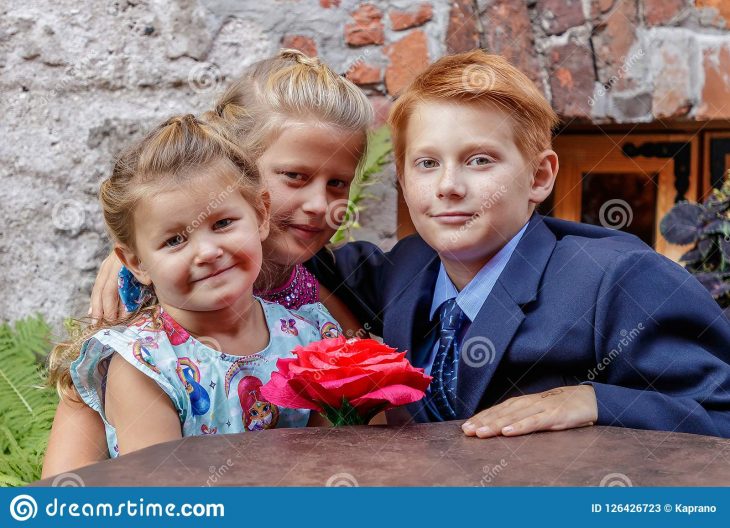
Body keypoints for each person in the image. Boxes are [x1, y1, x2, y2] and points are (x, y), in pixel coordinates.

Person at [308, 50, 730, 438]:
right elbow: (293, 253)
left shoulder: (617, 279)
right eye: (427, 163)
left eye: (480, 160)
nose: (448, 186)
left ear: (540, 177)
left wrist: (598, 401)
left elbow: (721, 414)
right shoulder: (403, 268)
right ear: (402, 178)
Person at [43, 50, 374, 477]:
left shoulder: (319, 304)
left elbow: (354, 430)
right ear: (236, 164)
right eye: (295, 175)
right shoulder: (142, 301)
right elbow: (69, 472)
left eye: (337, 183)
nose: (318, 205)